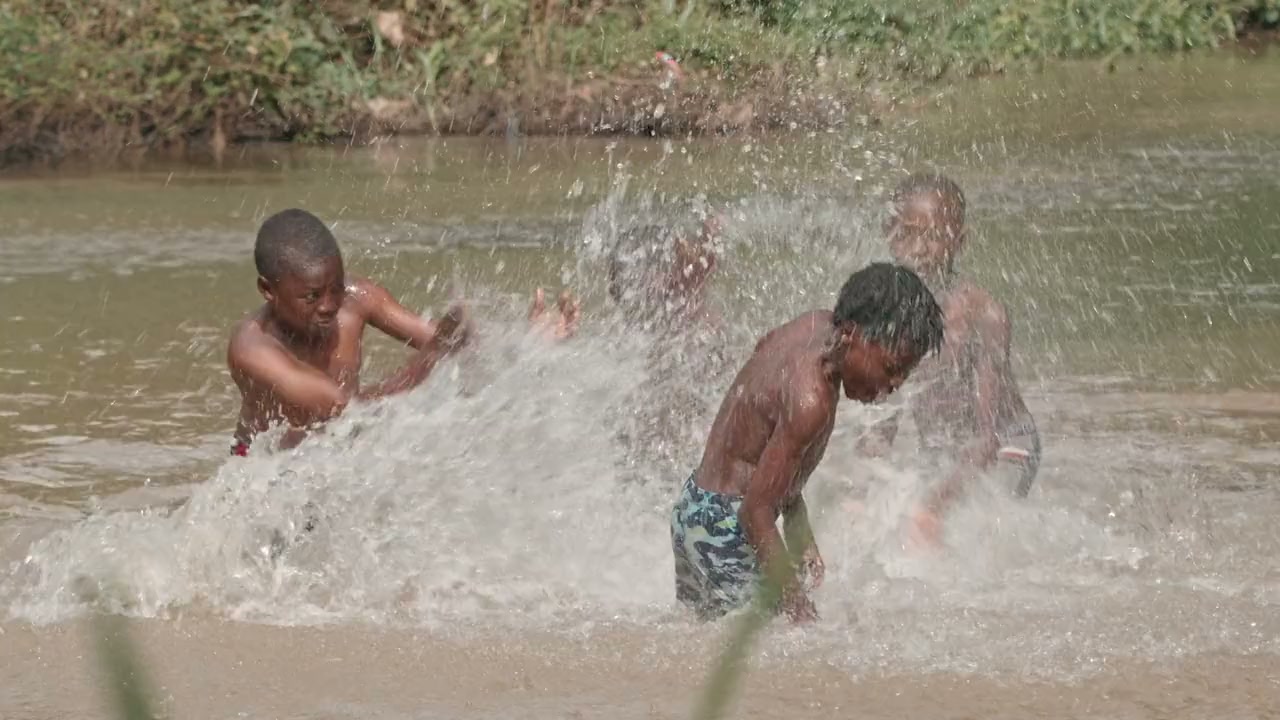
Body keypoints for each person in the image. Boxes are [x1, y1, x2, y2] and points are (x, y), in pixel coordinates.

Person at [670, 262, 944, 622]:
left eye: (903, 376)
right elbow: (755, 511)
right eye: (891, 368)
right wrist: (798, 608)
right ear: (852, 334)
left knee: (699, 631)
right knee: (777, 641)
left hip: (695, 507)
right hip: (728, 528)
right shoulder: (812, 401)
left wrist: (798, 525)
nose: (894, 385)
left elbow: (765, 432)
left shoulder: (813, 325)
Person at [227, 208, 572, 454]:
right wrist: (433, 356)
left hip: (336, 452)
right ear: (268, 290)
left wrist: (529, 343)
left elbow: (463, 350)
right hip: (267, 472)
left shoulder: (357, 298)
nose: (330, 305)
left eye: (336, 286)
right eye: (311, 296)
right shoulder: (252, 348)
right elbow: (343, 410)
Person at [857, 174, 1042, 546]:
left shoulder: (983, 315)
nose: (920, 249)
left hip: (1006, 446)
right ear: (889, 234)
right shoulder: (886, 319)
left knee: (964, 540)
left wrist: (934, 507)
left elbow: (987, 438)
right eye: (907, 234)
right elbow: (882, 425)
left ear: (960, 241)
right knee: (880, 526)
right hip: (941, 450)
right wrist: (860, 489)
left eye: (934, 236)